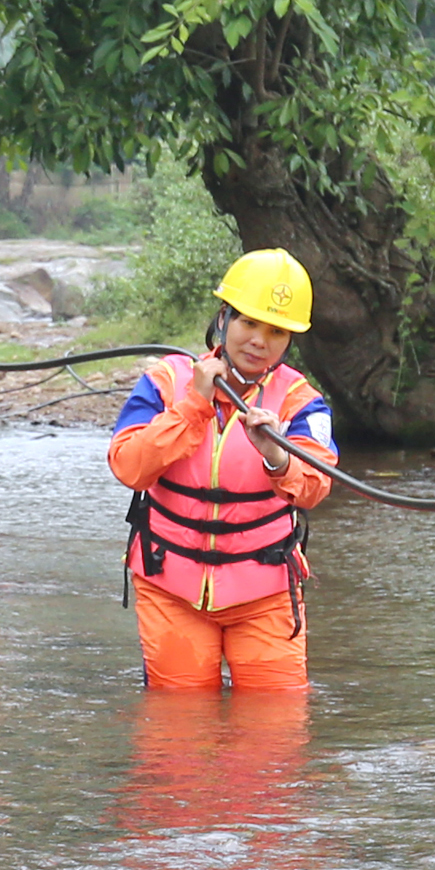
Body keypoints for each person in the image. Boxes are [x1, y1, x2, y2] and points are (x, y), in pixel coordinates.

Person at [106, 249, 333, 692]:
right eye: (248, 322)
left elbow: (314, 488)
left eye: (276, 331)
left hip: (265, 593)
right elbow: (129, 467)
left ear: (290, 341)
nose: (259, 341)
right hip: (170, 585)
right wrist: (193, 406)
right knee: (179, 735)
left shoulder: (301, 401)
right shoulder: (167, 381)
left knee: (273, 739)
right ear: (224, 319)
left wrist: (276, 456)